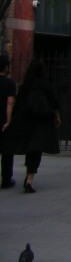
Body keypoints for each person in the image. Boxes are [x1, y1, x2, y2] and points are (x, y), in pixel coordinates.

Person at [8, 59, 60, 193]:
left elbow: (18, 104)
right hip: (41, 122)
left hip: (27, 122)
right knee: (36, 150)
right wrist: (57, 116)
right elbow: (54, 102)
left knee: (29, 149)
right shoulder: (45, 84)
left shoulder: (25, 86)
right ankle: (30, 178)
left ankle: (28, 175)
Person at [0, 54, 16, 188]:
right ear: (6, 68)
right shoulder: (10, 83)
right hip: (3, 119)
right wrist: (8, 121)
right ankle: (6, 179)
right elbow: (10, 103)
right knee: (6, 151)